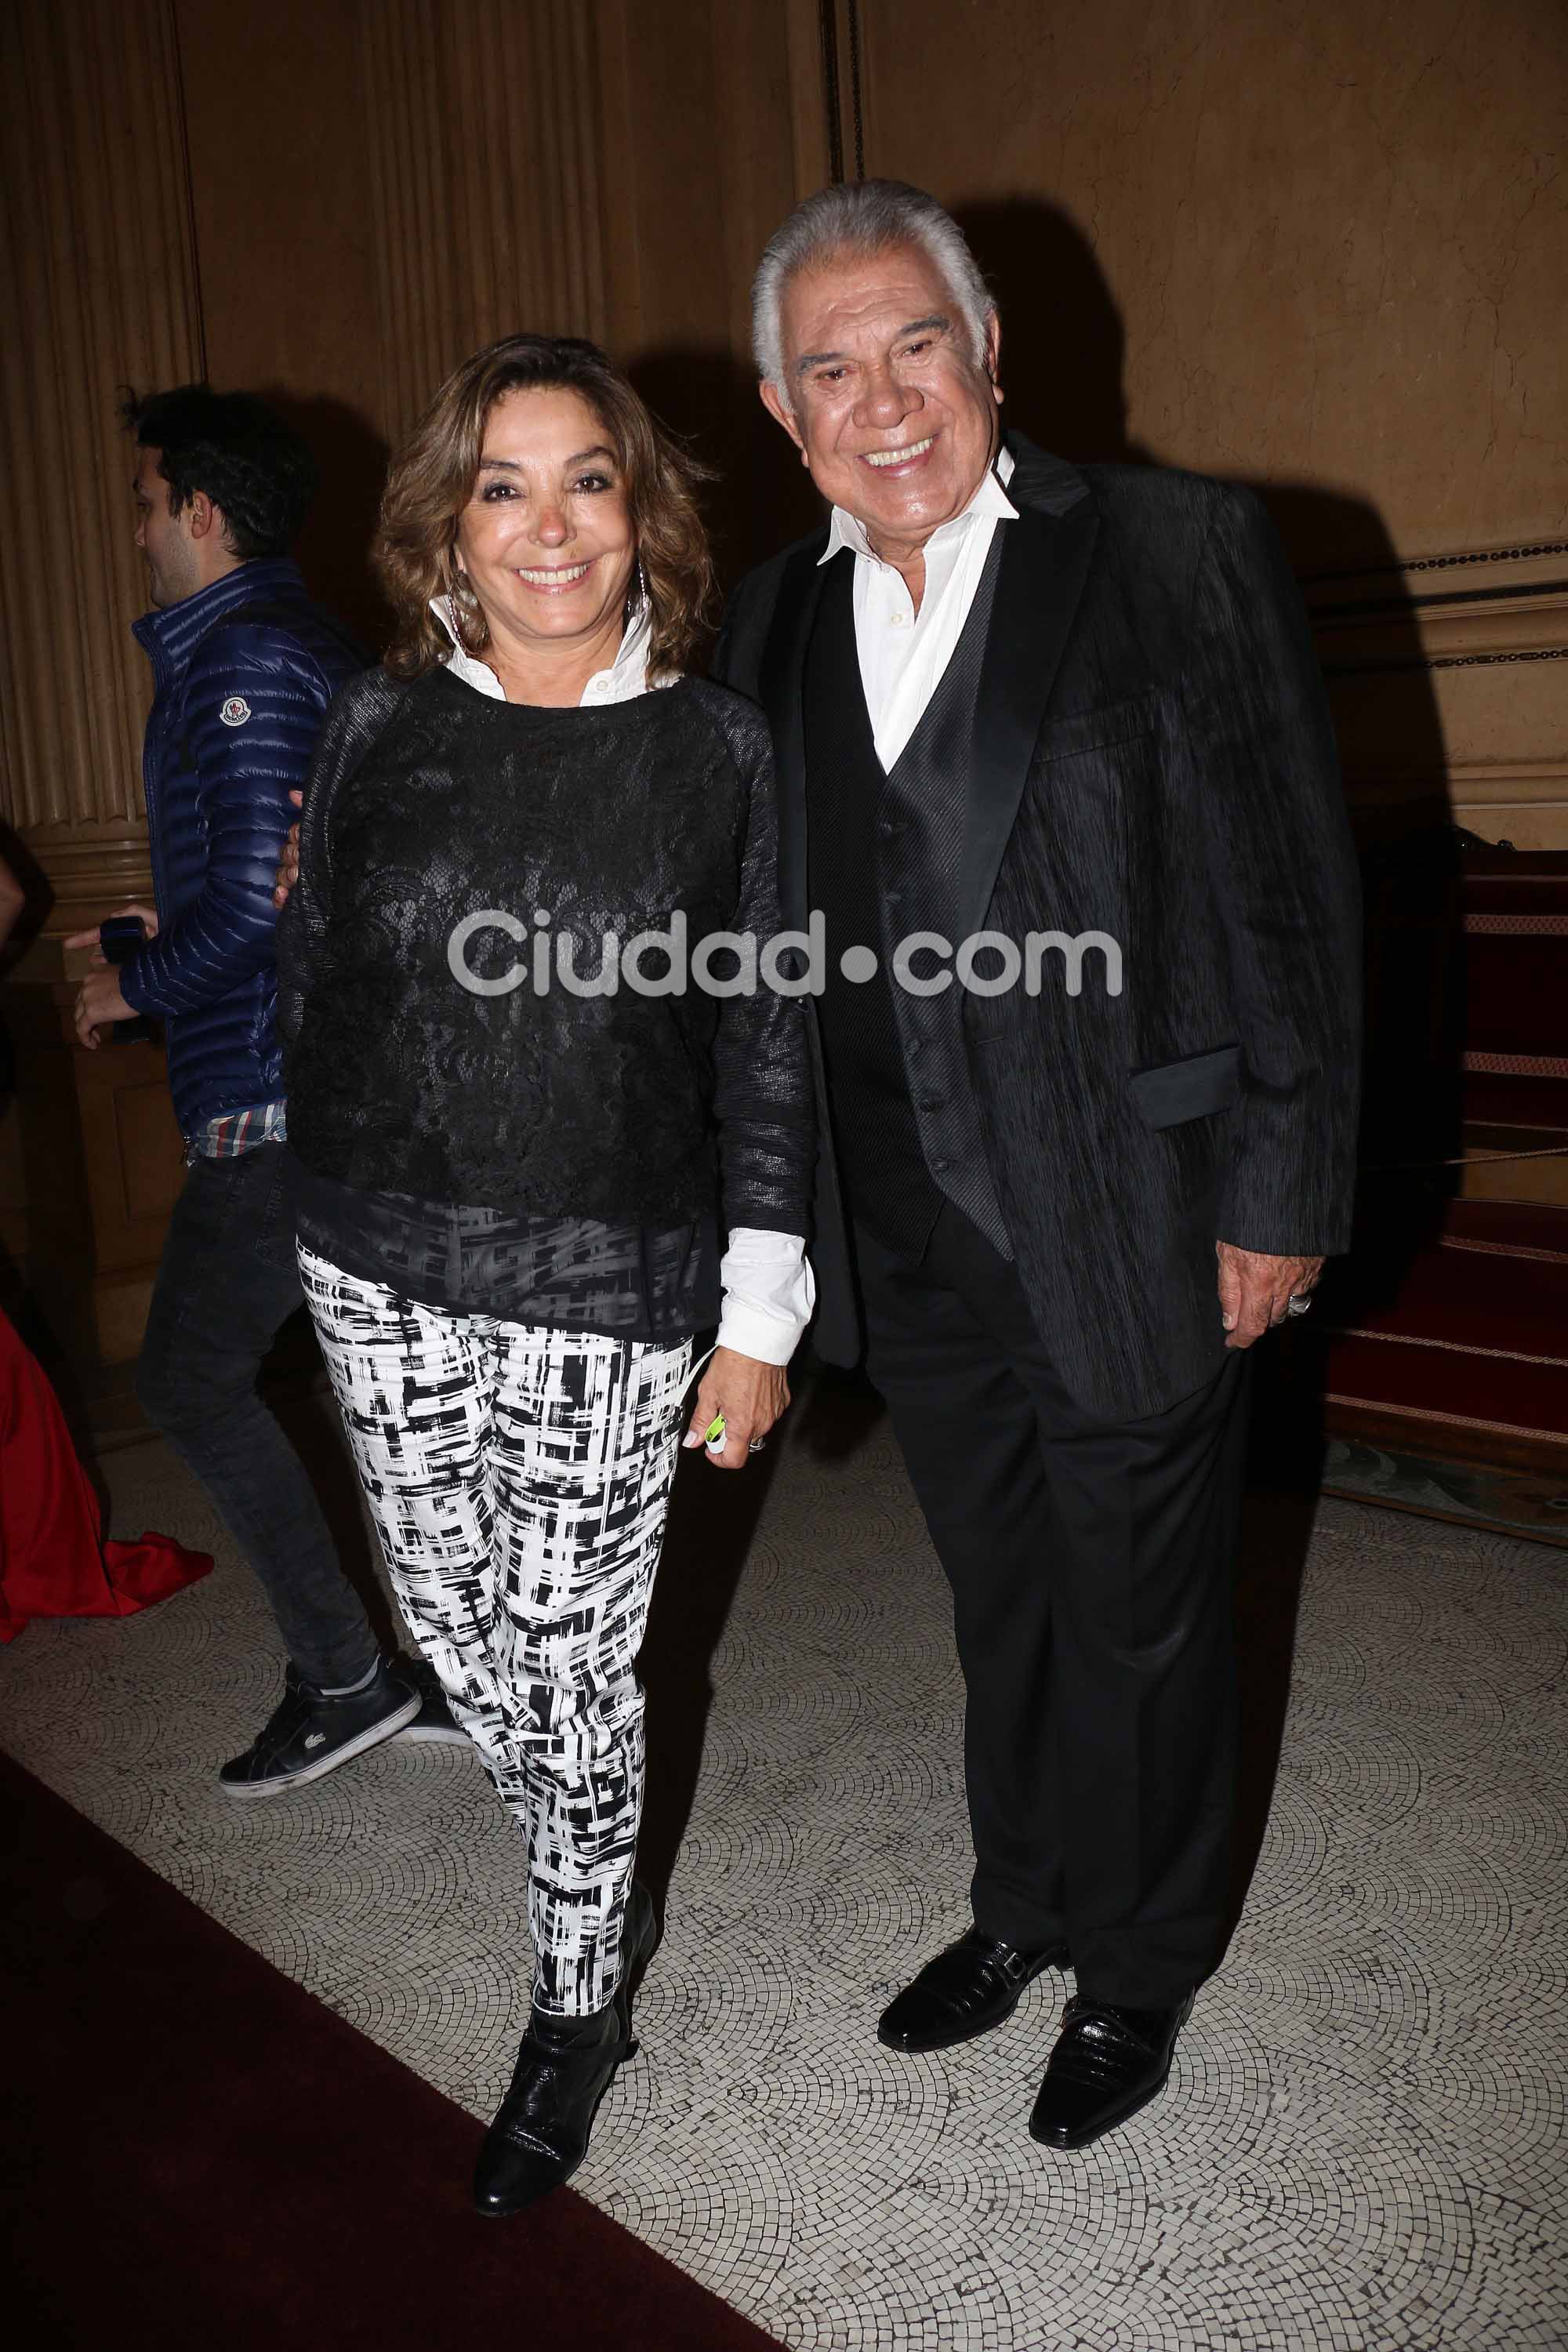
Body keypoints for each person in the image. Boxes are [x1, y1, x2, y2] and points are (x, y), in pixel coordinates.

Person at [713, 182, 1362, 2151]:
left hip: (1137, 1207)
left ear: (989, 350)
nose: (881, 397)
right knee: (1000, 1596)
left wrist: (1283, 1187)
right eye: (829, 366)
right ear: (779, 406)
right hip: (899, 1227)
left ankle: (1141, 1965)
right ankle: (1025, 1905)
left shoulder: (1172, 549)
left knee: (1146, 1608)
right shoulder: (768, 615)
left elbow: (1285, 888)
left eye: (915, 342)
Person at [275, 333, 815, 2213]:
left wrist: (757, 1318)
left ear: (642, 510)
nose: (549, 522)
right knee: (445, 1628)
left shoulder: (716, 748)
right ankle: (594, 1853)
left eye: (588, 476)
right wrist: (317, 1192)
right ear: (450, 523)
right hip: (374, 1256)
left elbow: (763, 1039)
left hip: (610, 1266)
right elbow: (316, 963)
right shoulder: (377, 722)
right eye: (503, 485)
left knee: (579, 1673)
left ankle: (578, 1999)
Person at [67, 386, 458, 1795]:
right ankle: (430, 1672)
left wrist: (135, 985)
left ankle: (355, 1677)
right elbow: (278, 887)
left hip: (289, 1096)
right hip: (308, 1079)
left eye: (144, 502)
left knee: (187, 1373)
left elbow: (252, 904)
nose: (137, 530)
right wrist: (140, 947)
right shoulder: (268, 650)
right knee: (385, 1388)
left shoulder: (246, 657)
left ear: (204, 515)